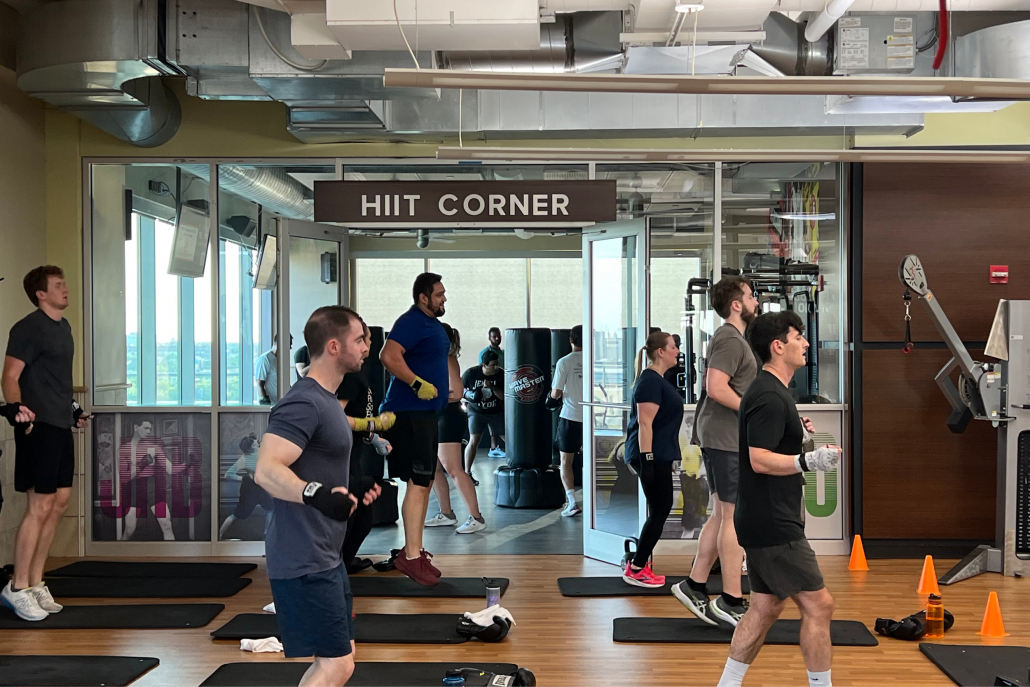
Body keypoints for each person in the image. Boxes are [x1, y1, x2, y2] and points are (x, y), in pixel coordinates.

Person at [254, 305, 382, 687]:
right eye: (359, 340)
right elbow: (267, 470)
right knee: (336, 665)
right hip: (302, 556)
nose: (366, 348)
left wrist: (349, 490)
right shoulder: (303, 401)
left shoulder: (327, 399)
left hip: (325, 554)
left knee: (342, 660)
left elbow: (313, 467)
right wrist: (316, 494)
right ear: (332, 346)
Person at [716, 311, 841, 687]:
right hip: (772, 519)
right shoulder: (769, 394)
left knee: (766, 605)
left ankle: (727, 684)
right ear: (778, 346)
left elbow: (768, 440)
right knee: (819, 605)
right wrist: (809, 459)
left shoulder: (772, 391)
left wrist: (795, 433)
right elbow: (759, 459)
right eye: (798, 337)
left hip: (765, 516)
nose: (805, 343)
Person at [1, 266, 87, 621]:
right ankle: (17, 586)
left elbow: (56, 381)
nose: (65, 289)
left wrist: (73, 408)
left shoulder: (63, 327)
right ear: (41, 293)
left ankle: (36, 581)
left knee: (59, 501)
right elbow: (10, 376)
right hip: (37, 427)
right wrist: (15, 408)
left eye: (64, 283)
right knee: (38, 505)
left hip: (59, 423)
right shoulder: (27, 329)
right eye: (58, 285)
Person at [673, 277, 760, 626]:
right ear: (736, 304)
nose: (755, 302)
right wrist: (750, 411)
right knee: (733, 515)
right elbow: (715, 386)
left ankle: (694, 584)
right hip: (724, 438)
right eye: (751, 296)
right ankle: (730, 598)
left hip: (722, 437)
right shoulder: (729, 338)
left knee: (722, 515)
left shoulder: (734, 339)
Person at [379, 273, 450, 586]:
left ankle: (415, 551)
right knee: (418, 482)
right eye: (439, 295)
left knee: (424, 481)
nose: (443, 299)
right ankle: (409, 557)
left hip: (425, 414)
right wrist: (417, 383)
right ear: (423, 297)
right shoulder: (410, 321)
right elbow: (388, 355)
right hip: (409, 413)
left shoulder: (430, 325)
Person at [622, 331, 683, 588]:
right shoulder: (649, 381)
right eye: (673, 347)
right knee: (660, 509)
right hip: (650, 453)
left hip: (658, 453)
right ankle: (636, 567)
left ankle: (638, 563)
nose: (677, 351)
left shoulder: (658, 379)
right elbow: (645, 424)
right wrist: (647, 460)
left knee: (660, 509)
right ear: (660, 351)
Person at [337, 319, 396, 574]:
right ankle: (335, 566)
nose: (367, 346)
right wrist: (372, 425)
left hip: (355, 453)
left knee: (363, 518)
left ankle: (344, 563)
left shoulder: (363, 374)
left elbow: (357, 417)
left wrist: (374, 437)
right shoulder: (351, 376)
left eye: (367, 339)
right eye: (361, 340)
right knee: (354, 517)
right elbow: (334, 418)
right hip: (342, 457)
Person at [427, 324, 485, 534]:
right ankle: (446, 513)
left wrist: (429, 396)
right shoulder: (434, 359)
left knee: (454, 469)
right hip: (437, 415)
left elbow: (457, 392)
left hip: (449, 416)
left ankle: (476, 517)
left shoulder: (447, 359)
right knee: (433, 468)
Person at [547, 325, 584, 517]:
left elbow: (556, 393)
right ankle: (599, 500)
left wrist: (551, 398)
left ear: (571, 340)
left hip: (571, 417)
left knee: (565, 461)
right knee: (595, 460)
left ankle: (571, 502)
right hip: (593, 417)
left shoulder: (564, 362)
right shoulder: (596, 361)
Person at [119, 420, 174, 541]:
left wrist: (188, 465)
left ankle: (173, 557)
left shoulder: (154, 448)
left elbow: (170, 469)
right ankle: (121, 555)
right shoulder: (125, 450)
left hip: (152, 487)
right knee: (129, 529)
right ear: (135, 427)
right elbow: (124, 478)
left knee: (166, 525)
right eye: (145, 428)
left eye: (150, 429)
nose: (148, 431)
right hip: (134, 488)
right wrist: (142, 464)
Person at [218, 434, 273, 539]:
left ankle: (267, 534)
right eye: (255, 443)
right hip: (250, 489)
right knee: (238, 514)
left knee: (271, 508)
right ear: (250, 447)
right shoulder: (243, 460)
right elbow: (228, 474)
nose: (257, 443)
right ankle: (219, 534)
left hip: (260, 486)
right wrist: (242, 478)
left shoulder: (260, 452)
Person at [462, 350, 504, 485]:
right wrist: (471, 395)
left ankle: (516, 466)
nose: (496, 367)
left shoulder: (501, 374)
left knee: (509, 439)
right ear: (484, 365)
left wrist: (493, 388)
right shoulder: (471, 373)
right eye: (493, 365)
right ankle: (467, 473)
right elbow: (461, 390)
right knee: (474, 440)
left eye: (497, 364)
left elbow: (505, 397)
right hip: (477, 412)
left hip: (496, 411)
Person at [479, 327, 505, 458]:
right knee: (493, 417)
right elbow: (482, 372)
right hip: (490, 389)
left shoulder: (504, 353)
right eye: (494, 336)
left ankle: (507, 446)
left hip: (503, 388)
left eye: (498, 336)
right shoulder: (485, 353)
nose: (497, 338)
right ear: (489, 338)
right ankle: (493, 446)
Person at [257, 334, 292, 404]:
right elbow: (259, 384)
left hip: (282, 403)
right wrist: (264, 401)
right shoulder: (265, 359)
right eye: (289, 344)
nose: (290, 347)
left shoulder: (282, 360)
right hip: (271, 405)